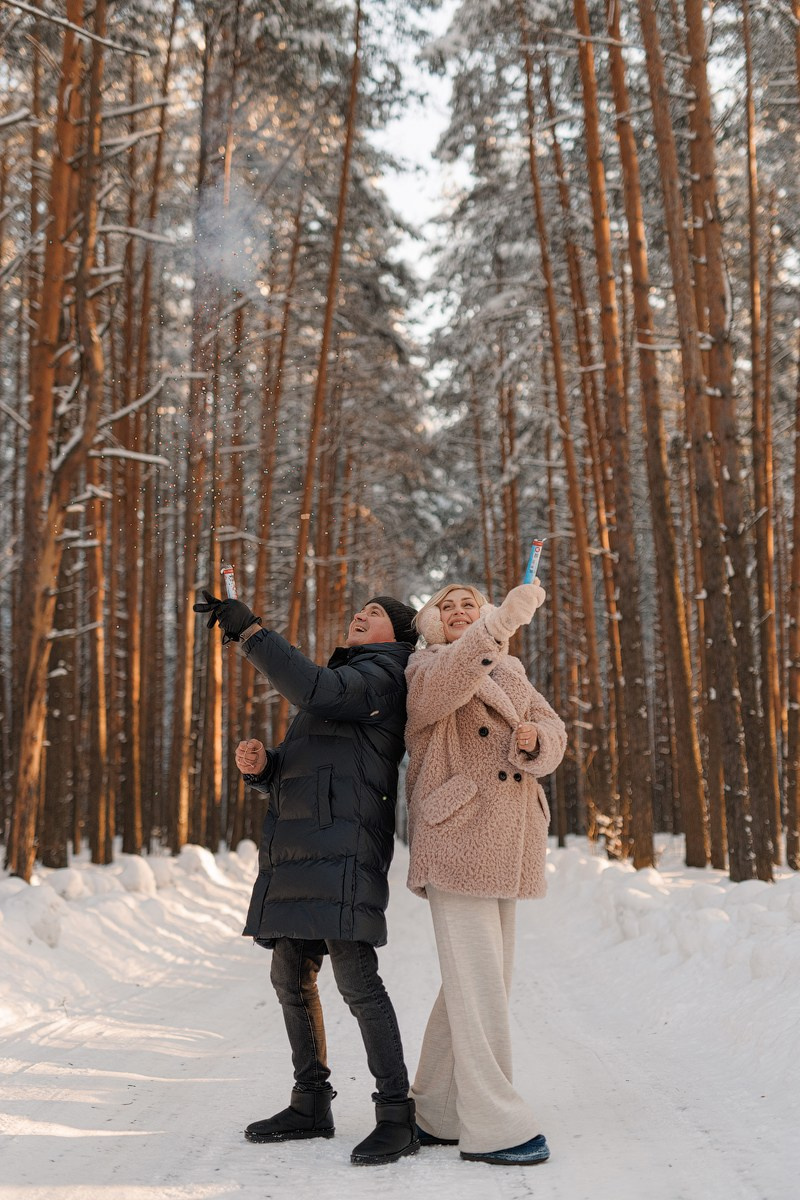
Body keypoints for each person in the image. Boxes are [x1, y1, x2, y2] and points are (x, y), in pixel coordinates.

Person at [193, 588, 421, 1166]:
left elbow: (312, 687)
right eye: (359, 610)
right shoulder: (346, 682)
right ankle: (311, 1102)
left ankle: (397, 1114)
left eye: (374, 613)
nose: (360, 614)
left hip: (344, 850)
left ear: (398, 635)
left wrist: (251, 632)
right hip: (302, 850)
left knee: (357, 981)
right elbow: (316, 769)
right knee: (290, 976)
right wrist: (266, 767)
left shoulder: (382, 677)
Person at [403, 581, 567, 1166]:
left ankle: (437, 1111)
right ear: (431, 622)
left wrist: (536, 740)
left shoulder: (511, 670)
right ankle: (495, 1126)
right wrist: (495, 627)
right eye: (445, 607)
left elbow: (555, 730)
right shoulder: (424, 668)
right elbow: (448, 686)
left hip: (507, 842)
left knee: (480, 984)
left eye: (468, 604)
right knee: (479, 989)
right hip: (458, 836)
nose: (457, 612)